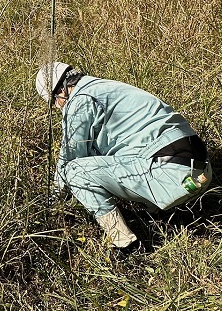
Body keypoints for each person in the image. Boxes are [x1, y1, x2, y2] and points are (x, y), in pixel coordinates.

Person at [35, 62, 212, 251]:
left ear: (60, 91)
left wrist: (52, 202)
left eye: (54, 102)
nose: (58, 107)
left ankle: (125, 244)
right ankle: (169, 213)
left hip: (171, 175)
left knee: (75, 172)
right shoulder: (104, 87)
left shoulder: (79, 100)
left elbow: (70, 157)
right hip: (201, 170)